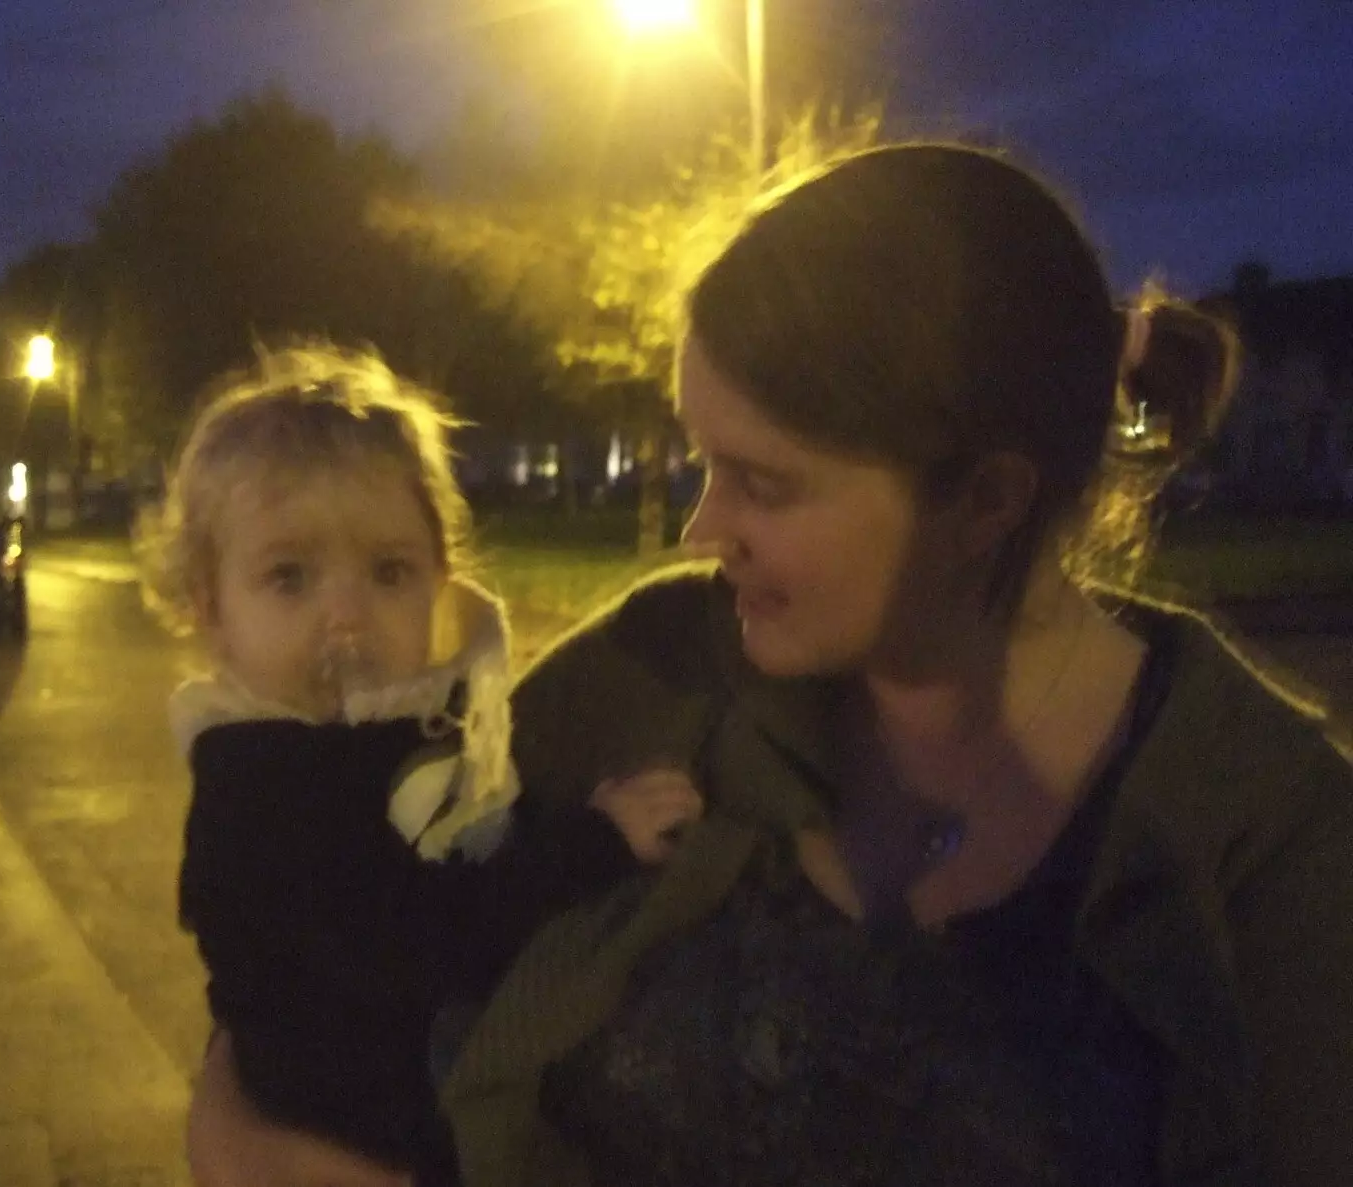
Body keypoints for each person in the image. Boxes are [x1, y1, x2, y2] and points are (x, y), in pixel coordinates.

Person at [193, 144, 1353, 1186]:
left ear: (984, 501)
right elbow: (306, 951)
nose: (703, 528)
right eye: (704, 461)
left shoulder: (1268, 832)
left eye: (766, 482)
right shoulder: (654, 672)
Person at [146, 345, 702, 1185]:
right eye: (289, 577)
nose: (346, 616)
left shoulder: (411, 727)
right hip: (360, 1137)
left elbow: (474, 837)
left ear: (440, 580)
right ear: (209, 608)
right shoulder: (260, 785)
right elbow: (420, 938)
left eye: (389, 571)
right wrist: (592, 841)